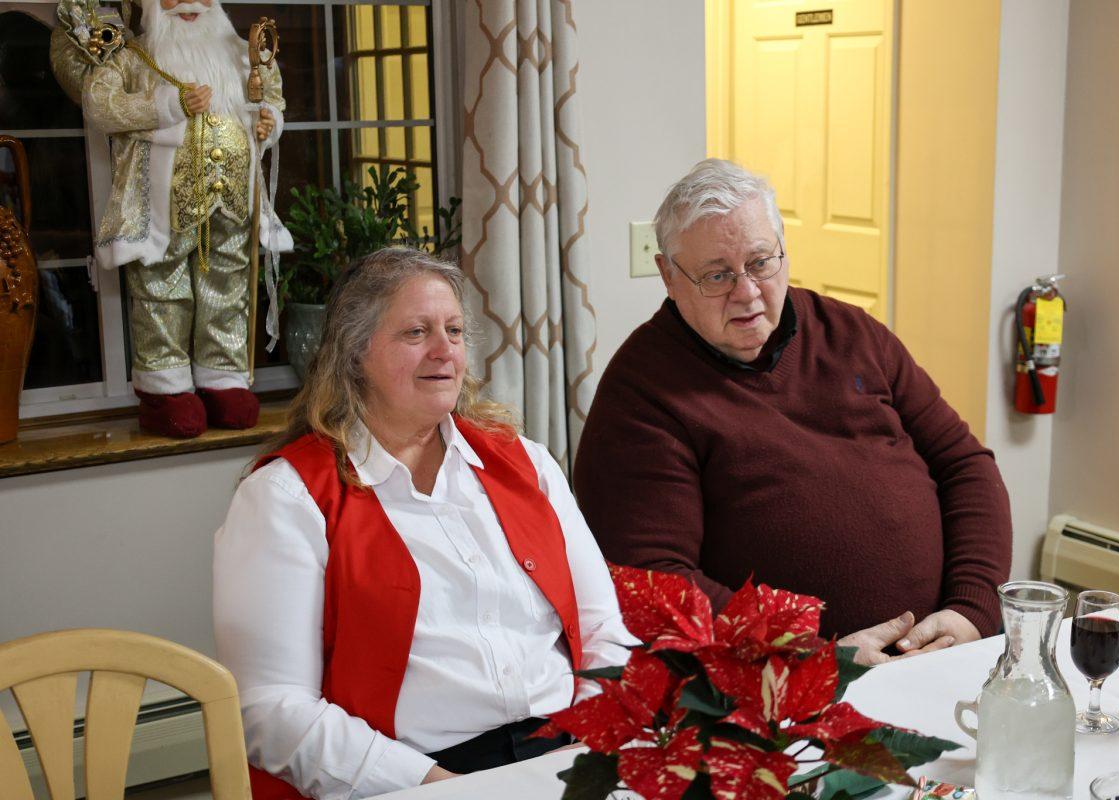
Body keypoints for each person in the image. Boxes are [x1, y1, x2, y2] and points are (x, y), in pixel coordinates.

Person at [213, 247, 633, 799]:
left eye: (454, 331)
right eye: (416, 332)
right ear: (355, 353)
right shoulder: (285, 497)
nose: (444, 351)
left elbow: (605, 630)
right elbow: (271, 709)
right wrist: (439, 788)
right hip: (412, 776)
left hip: (567, 752)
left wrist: (595, 742)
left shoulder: (526, 462)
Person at [573, 159, 1012, 665]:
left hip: (947, 649)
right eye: (717, 275)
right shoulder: (642, 393)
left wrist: (972, 609)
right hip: (782, 684)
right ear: (668, 276)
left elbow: (965, 464)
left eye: (761, 262)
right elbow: (654, 581)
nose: (747, 292)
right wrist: (813, 657)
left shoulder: (851, 332)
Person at [52, 0, 292, 438]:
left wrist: (268, 122)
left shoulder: (241, 54)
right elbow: (101, 106)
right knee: (162, 286)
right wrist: (169, 103)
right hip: (162, 204)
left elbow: (271, 98)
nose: (188, 3)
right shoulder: (132, 57)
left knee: (229, 283)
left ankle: (223, 377)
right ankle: (165, 389)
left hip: (233, 198)